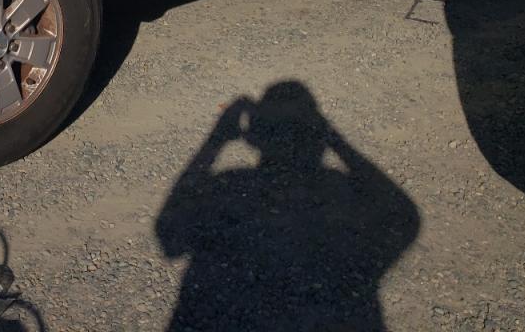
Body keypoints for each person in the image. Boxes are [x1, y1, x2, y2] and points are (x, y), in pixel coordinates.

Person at [157, 81, 420, 331]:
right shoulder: (340, 191)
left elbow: (170, 233)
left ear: (254, 137)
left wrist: (217, 138)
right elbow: (404, 216)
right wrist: (335, 140)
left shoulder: (231, 186)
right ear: (315, 134)